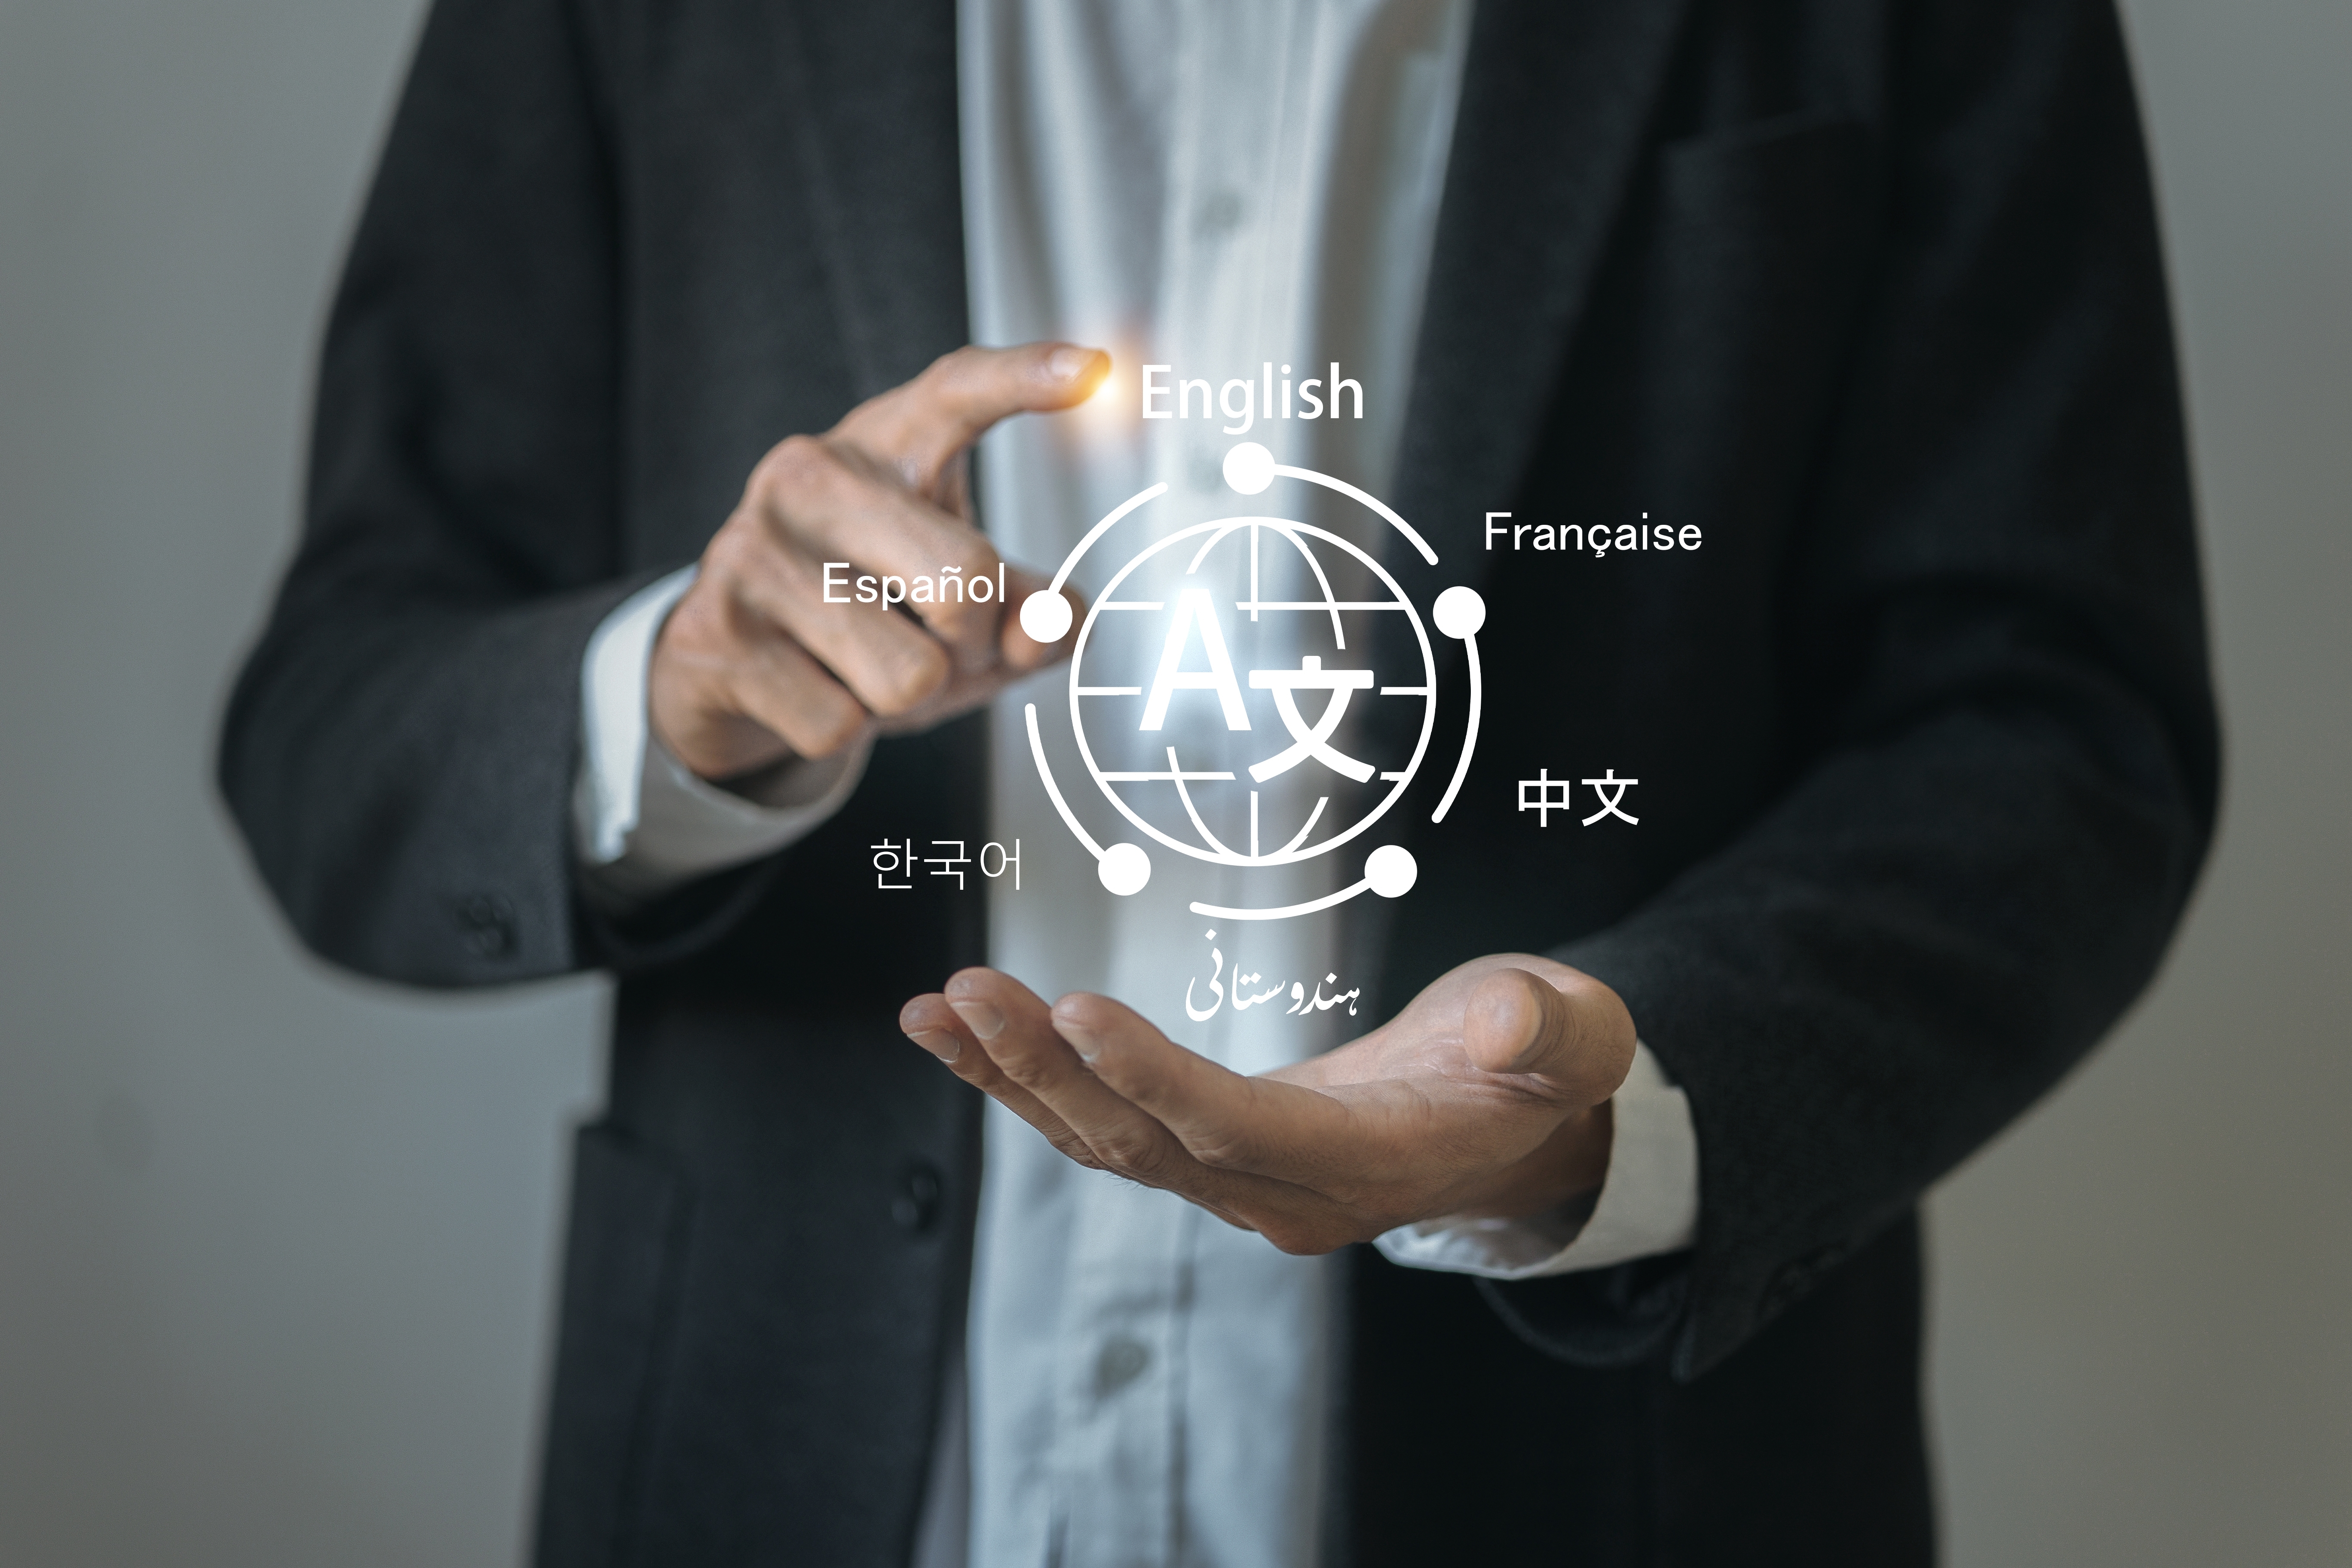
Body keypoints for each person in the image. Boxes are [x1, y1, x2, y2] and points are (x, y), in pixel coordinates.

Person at [219, 0, 2217, 1563]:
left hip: (1602, 1491)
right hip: (775, 1454)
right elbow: (334, 728)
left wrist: (1611, 1096)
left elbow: (2055, 728)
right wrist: (676, 695)